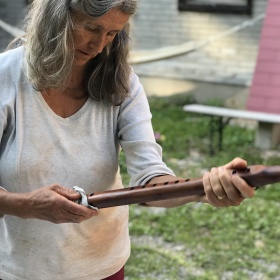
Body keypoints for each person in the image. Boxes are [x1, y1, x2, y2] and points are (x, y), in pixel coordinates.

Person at [0, 0, 255, 279]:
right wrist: (25, 205)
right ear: (57, 17)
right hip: (19, 270)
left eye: (112, 33)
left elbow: (149, 176)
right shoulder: (6, 77)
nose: (99, 46)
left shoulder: (121, 83)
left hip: (102, 266)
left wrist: (203, 189)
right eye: (91, 28)